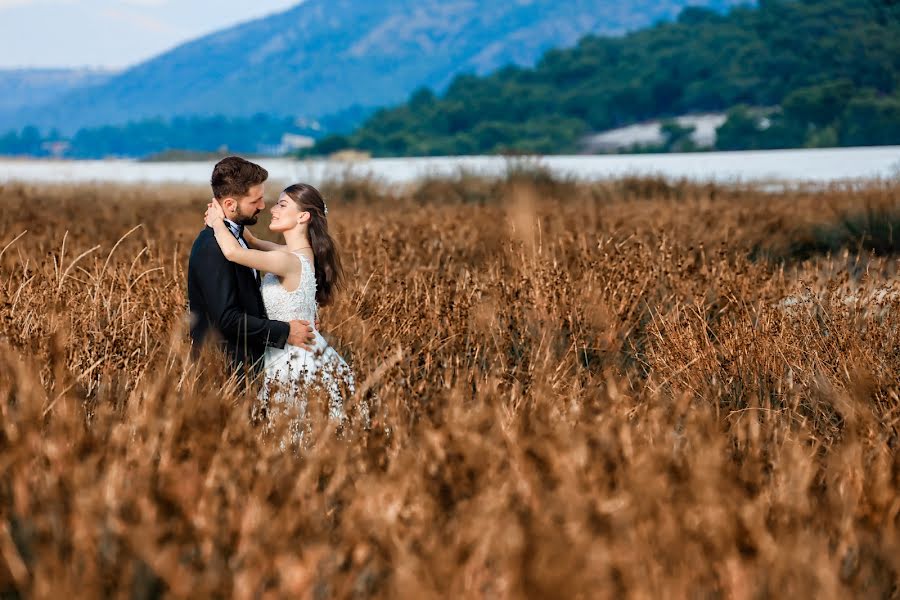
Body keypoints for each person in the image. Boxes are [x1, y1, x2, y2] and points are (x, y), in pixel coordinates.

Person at [204, 182, 356, 442]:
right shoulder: (302, 254)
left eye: (282, 205)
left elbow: (233, 252)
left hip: (291, 358)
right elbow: (254, 242)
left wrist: (217, 222)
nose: (272, 209)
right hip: (306, 350)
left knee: (292, 434)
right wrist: (236, 223)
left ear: (303, 216)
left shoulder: (289, 261)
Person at [188, 157, 315, 381]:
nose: (263, 206)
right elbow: (227, 319)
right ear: (230, 205)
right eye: (255, 200)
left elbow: (245, 249)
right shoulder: (213, 247)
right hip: (227, 370)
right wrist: (285, 332)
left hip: (261, 365)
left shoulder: (236, 239)